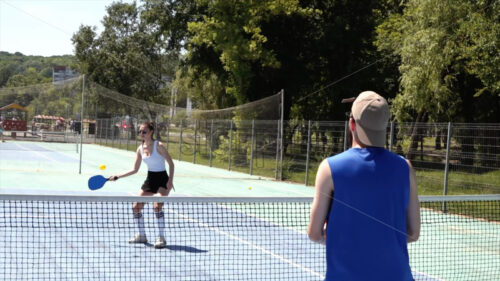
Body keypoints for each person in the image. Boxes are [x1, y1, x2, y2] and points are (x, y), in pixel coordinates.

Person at [308, 91, 420, 281]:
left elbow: (314, 233)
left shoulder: (329, 168)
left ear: (352, 123)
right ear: (386, 127)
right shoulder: (405, 168)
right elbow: (413, 233)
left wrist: (339, 236)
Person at [109, 121, 175, 249]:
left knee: (157, 206)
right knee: (136, 207)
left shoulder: (159, 146)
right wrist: (117, 176)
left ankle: (161, 237)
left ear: (151, 132)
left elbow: (171, 164)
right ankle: (142, 235)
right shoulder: (140, 148)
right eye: (139, 131)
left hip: (163, 180)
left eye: (144, 131)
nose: (141, 134)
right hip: (150, 180)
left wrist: (170, 181)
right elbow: (135, 169)